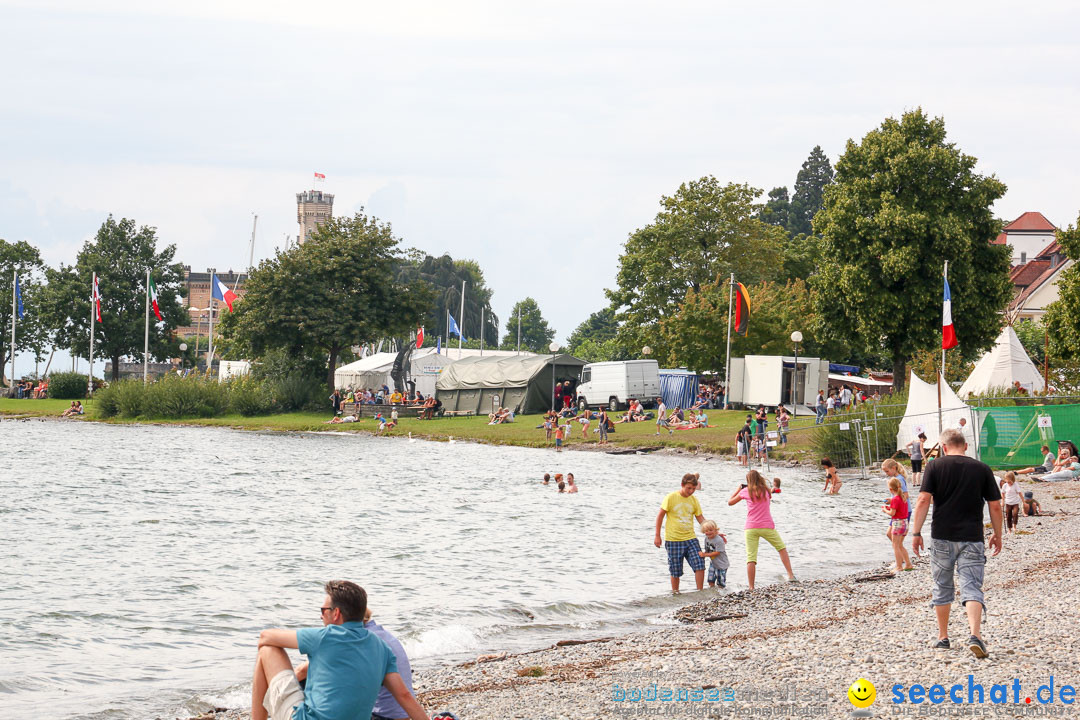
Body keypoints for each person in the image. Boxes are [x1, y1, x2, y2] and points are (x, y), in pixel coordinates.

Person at [250, 580, 428, 720]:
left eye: (323, 610)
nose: (321, 615)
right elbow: (404, 695)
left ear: (336, 614)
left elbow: (266, 636)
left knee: (267, 650)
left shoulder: (324, 636)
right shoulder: (382, 646)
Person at [910, 428, 1002, 659]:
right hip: (972, 537)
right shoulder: (982, 468)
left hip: (942, 536)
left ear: (943, 446)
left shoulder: (934, 466)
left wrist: (916, 532)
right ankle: (975, 635)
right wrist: (997, 534)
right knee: (972, 586)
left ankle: (943, 638)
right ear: (966, 446)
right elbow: (995, 505)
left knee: (942, 586)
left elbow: (923, 500)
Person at [727, 470, 795, 590]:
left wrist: (739, 489)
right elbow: (770, 495)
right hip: (767, 526)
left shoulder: (745, 491)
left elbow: (730, 502)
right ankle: (790, 575)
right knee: (781, 548)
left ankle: (751, 587)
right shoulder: (766, 490)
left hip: (751, 527)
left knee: (751, 557)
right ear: (759, 478)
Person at [653, 473, 707, 593]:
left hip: (690, 538)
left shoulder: (694, 500)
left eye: (693, 488)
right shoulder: (671, 497)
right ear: (682, 485)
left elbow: (700, 518)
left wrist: (714, 530)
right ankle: (676, 593)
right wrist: (657, 535)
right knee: (675, 570)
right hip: (673, 540)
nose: (691, 491)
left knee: (699, 563)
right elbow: (660, 516)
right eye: (689, 488)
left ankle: (700, 593)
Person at [882, 477, 914, 573]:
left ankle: (899, 566)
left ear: (891, 489)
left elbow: (892, 513)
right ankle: (908, 564)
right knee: (900, 545)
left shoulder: (895, 499)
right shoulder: (902, 497)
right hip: (905, 523)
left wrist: (885, 509)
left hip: (898, 523)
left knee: (895, 545)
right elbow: (898, 509)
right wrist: (890, 505)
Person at [698, 520, 729, 589]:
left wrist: (704, 555)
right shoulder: (706, 539)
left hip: (722, 564)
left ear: (715, 530)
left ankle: (722, 593)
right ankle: (712, 592)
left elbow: (717, 552)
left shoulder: (719, 540)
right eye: (706, 531)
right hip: (713, 563)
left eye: (710, 530)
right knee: (710, 579)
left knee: (720, 582)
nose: (708, 532)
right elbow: (707, 550)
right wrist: (703, 554)